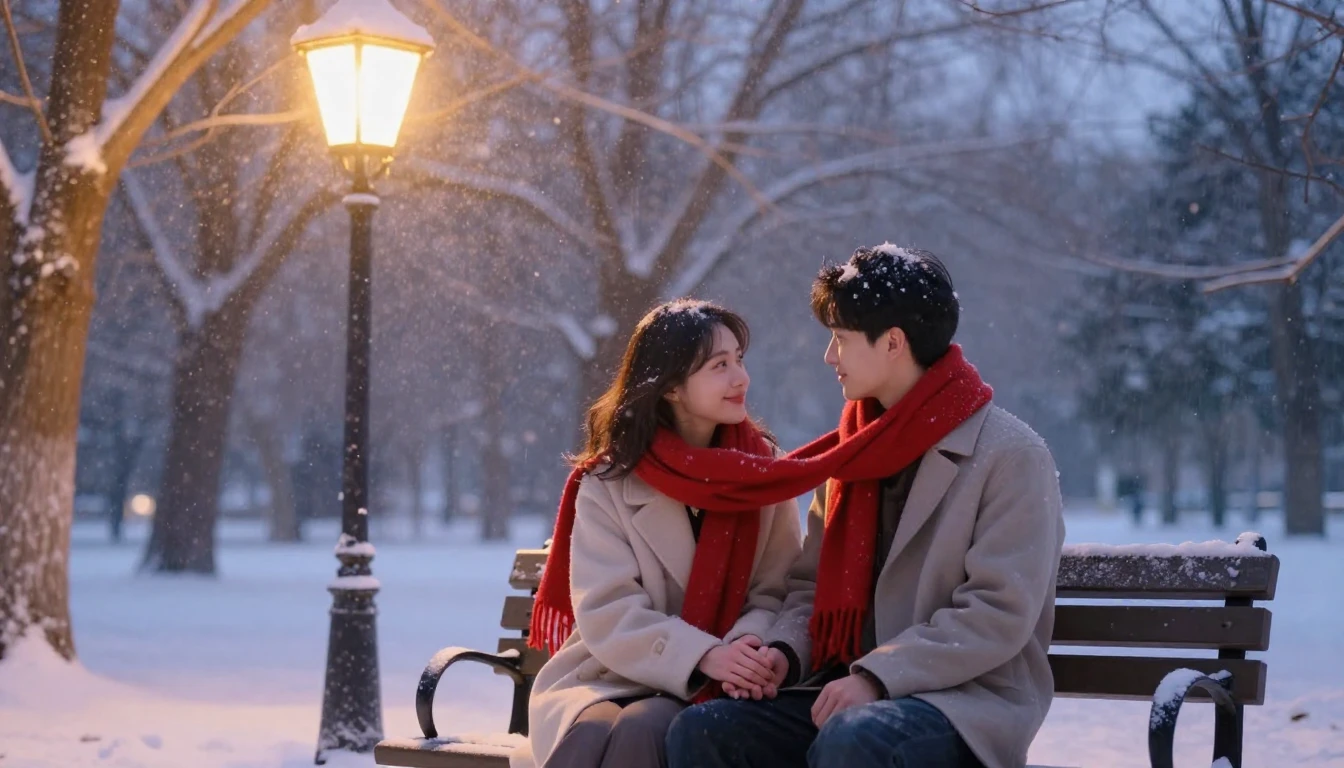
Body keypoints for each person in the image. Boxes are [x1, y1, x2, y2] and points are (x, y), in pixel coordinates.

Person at [666, 244, 1067, 768]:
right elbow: (810, 588)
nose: (829, 356)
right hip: (843, 687)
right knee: (705, 731)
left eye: (841, 339)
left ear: (894, 343)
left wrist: (881, 675)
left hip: (961, 701)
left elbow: (996, 614)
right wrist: (784, 653)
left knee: (855, 741)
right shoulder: (853, 453)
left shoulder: (1011, 455)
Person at [516, 299, 802, 768]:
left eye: (740, 360)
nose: (741, 378)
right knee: (589, 733)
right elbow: (608, 610)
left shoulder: (762, 470)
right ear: (670, 386)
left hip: (725, 676)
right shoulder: (611, 479)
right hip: (610, 668)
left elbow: (776, 590)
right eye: (720, 365)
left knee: (642, 727)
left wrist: (739, 651)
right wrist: (701, 653)